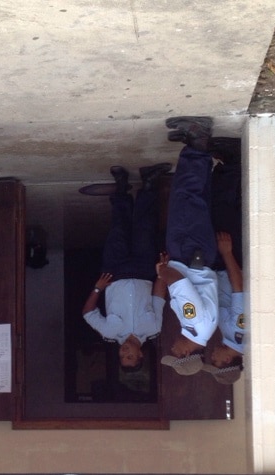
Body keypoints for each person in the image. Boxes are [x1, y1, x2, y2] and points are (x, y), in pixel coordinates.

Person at [82, 163, 171, 371]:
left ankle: (121, 185)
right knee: (144, 228)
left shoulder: (109, 333)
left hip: (115, 272)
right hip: (144, 271)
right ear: (140, 354)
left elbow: (88, 313)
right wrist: (162, 272)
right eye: (130, 357)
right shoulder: (153, 328)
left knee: (119, 228)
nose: (125, 353)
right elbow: (159, 297)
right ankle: (148, 182)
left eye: (123, 357)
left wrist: (98, 289)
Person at [158, 116, 219, 376]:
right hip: (189, 253)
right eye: (174, 353)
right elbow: (178, 283)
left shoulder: (201, 329)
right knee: (186, 196)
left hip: (194, 256)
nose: (171, 347)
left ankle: (196, 148)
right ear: (184, 354)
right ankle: (198, 137)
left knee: (195, 199)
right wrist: (162, 271)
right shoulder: (194, 323)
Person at [203, 138, 245, 384]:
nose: (212, 355)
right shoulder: (239, 332)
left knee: (224, 210)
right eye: (215, 360)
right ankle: (232, 159)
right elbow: (239, 291)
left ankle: (230, 164)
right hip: (229, 263)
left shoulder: (230, 335)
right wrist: (227, 253)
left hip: (223, 266)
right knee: (222, 211)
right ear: (226, 361)